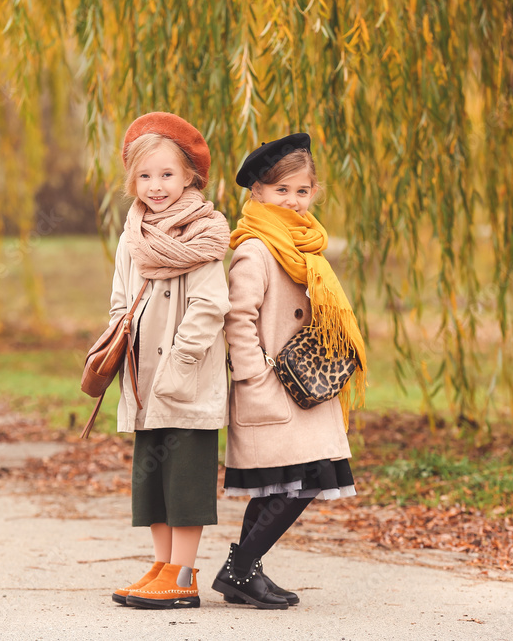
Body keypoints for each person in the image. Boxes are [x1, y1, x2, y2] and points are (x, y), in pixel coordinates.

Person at [211, 133, 367, 609]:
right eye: (281, 191)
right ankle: (240, 569)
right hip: (272, 387)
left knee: (286, 483)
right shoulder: (255, 249)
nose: (293, 201)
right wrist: (255, 378)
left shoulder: (306, 247)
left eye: (302, 191)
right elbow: (238, 318)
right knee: (304, 481)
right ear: (256, 193)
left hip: (308, 389)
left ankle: (246, 571)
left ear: (314, 192)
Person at [106, 112, 231, 609]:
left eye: (166, 175)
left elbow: (210, 304)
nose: (155, 186)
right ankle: (160, 565)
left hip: (186, 377)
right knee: (152, 478)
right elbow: (120, 295)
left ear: (189, 178)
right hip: (143, 374)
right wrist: (122, 340)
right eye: (145, 176)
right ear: (132, 180)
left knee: (186, 479)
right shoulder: (132, 234)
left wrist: (179, 362)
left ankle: (183, 576)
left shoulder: (202, 234)